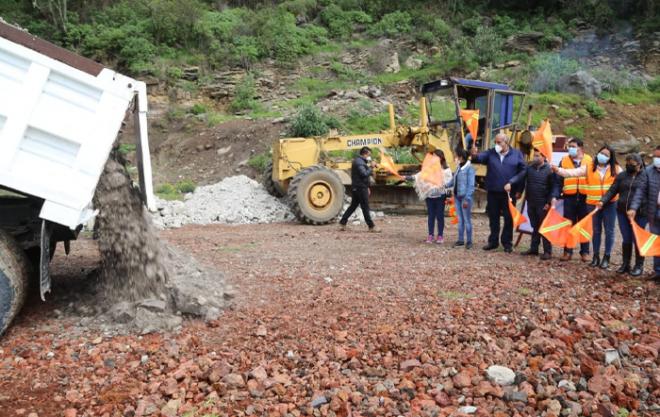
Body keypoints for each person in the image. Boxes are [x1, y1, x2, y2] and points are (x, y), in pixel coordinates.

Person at [553, 145, 622, 269]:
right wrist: (558, 170)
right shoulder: (589, 167)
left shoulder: (616, 169)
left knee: (609, 231)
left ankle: (606, 257)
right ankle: (595, 256)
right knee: (595, 231)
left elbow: (622, 183)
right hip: (592, 204)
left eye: (607, 155)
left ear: (611, 157)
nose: (603, 156)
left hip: (610, 204)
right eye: (602, 153)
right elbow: (572, 173)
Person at [471, 133, 526, 253]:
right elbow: (478, 158)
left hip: (509, 193)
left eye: (499, 142)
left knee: (508, 218)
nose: (496, 145)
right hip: (493, 191)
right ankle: (493, 241)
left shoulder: (517, 154)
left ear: (506, 143)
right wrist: (474, 153)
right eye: (495, 142)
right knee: (493, 217)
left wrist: (514, 184)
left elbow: (523, 172)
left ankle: (507, 243)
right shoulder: (491, 153)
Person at [505, 148, 559, 260]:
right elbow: (522, 178)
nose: (535, 157)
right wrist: (516, 187)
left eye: (538, 155)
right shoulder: (529, 168)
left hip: (543, 203)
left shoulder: (550, 170)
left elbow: (553, 187)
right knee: (534, 226)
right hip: (531, 202)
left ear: (544, 157)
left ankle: (547, 251)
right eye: (534, 155)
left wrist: (549, 202)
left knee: (544, 227)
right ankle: (534, 249)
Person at [600, 153, 647, 276]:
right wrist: (603, 201)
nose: (628, 166)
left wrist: (637, 208)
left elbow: (645, 194)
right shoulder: (621, 176)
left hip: (640, 213)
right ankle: (625, 264)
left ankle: (639, 265)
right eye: (627, 163)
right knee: (626, 238)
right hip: (622, 212)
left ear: (639, 164)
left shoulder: (645, 176)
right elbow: (612, 190)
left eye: (632, 164)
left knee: (638, 239)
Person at [406, 150, 453, 243]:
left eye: (435, 156)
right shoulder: (429, 168)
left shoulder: (446, 169)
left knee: (440, 216)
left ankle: (440, 236)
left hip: (441, 196)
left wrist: (448, 195)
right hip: (430, 196)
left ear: (441, 157)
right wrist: (407, 177)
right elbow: (419, 176)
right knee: (431, 216)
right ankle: (430, 235)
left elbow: (449, 182)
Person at [557, 138, 592, 262]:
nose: (570, 148)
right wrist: (556, 195)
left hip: (585, 197)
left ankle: (585, 252)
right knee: (568, 224)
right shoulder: (564, 160)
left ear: (581, 148)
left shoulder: (590, 161)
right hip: (569, 197)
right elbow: (559, 179)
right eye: (569, 146)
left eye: (573, 146)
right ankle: (568, 251)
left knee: (584, 225)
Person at [629, 145, 660, 283]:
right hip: (654, 212)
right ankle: (658, 271)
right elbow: (640, 191)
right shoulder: (648, 171)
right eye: (655, 157)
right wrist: (634, 208)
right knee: (655, 241)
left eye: (659, 157)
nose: (656, 159)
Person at [339, 146, 380, 232]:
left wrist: (367, 186)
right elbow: (364, 174)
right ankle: (371, 226)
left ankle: (342, 223)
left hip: (358, 188)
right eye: (369, 155)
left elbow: (362, 175)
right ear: (365, 154)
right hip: (360, 188)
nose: (369, 157)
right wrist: (371, 167)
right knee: (365, 207)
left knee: (353, 206)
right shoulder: (359, 162)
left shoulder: (359, 161)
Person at [451, 148, 476, 249]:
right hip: (457, 197)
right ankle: (461, 240)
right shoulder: (458, 167)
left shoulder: (470, 168)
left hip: (465, 198)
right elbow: (453, 181)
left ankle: (469, 241)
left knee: (466, 220)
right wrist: (443, 185)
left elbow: (471, 186)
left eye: (456, 156)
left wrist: (467, 198)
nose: (455, 158)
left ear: (461, 157)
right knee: (460, 220)